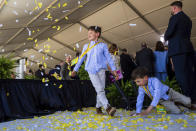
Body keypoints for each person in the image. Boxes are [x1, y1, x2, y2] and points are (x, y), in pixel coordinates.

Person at [71, 26, 118, 116]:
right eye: (88, 33)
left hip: (101, 70)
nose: (89, 35)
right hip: (91, 70)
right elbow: (81, 59)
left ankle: (98, 108)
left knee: (100, 90)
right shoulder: (86, 46)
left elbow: (109, 58)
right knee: (99, 89)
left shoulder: (103, 46)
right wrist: (75, 70)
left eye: (91, 33)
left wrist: (114, 70)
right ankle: (108, 108)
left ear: (97, 34)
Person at [164, 1, 196, 107]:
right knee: (190, 75)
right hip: (188, 49)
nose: (170, 11)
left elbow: (169, 33)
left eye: (171, 9)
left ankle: (187, 101)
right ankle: (194, 99)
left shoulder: (174, 18)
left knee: (181, 76)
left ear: (174, 8)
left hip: (178, 50)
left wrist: (165, 36)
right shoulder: (188, 19)